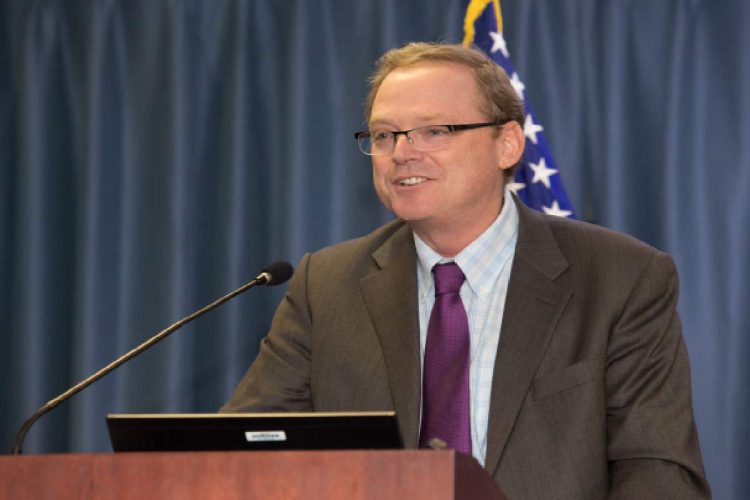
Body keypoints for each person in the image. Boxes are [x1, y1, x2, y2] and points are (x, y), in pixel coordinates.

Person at [222, 42, 710, 498]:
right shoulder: (326, 285)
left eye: (434, 131)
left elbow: (658, 471)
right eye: (384, 135)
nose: (402, 153)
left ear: (508, 144)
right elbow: (238, 452)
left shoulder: (620, 277)